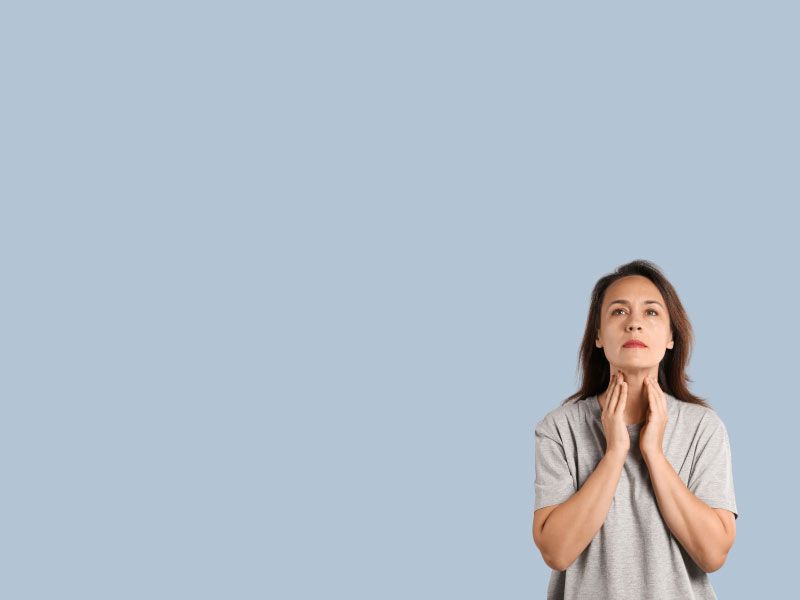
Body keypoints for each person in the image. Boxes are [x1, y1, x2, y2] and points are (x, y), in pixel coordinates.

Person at [531, 259, 738, 600]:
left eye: (651, 312)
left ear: (671, 336)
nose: (634, 325)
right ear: (598, 335)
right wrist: (614, 452)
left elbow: (713, 553)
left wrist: (653, 452)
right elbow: (556, 551)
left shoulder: (703, 427)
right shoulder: (559, 428)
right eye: (618, 312)